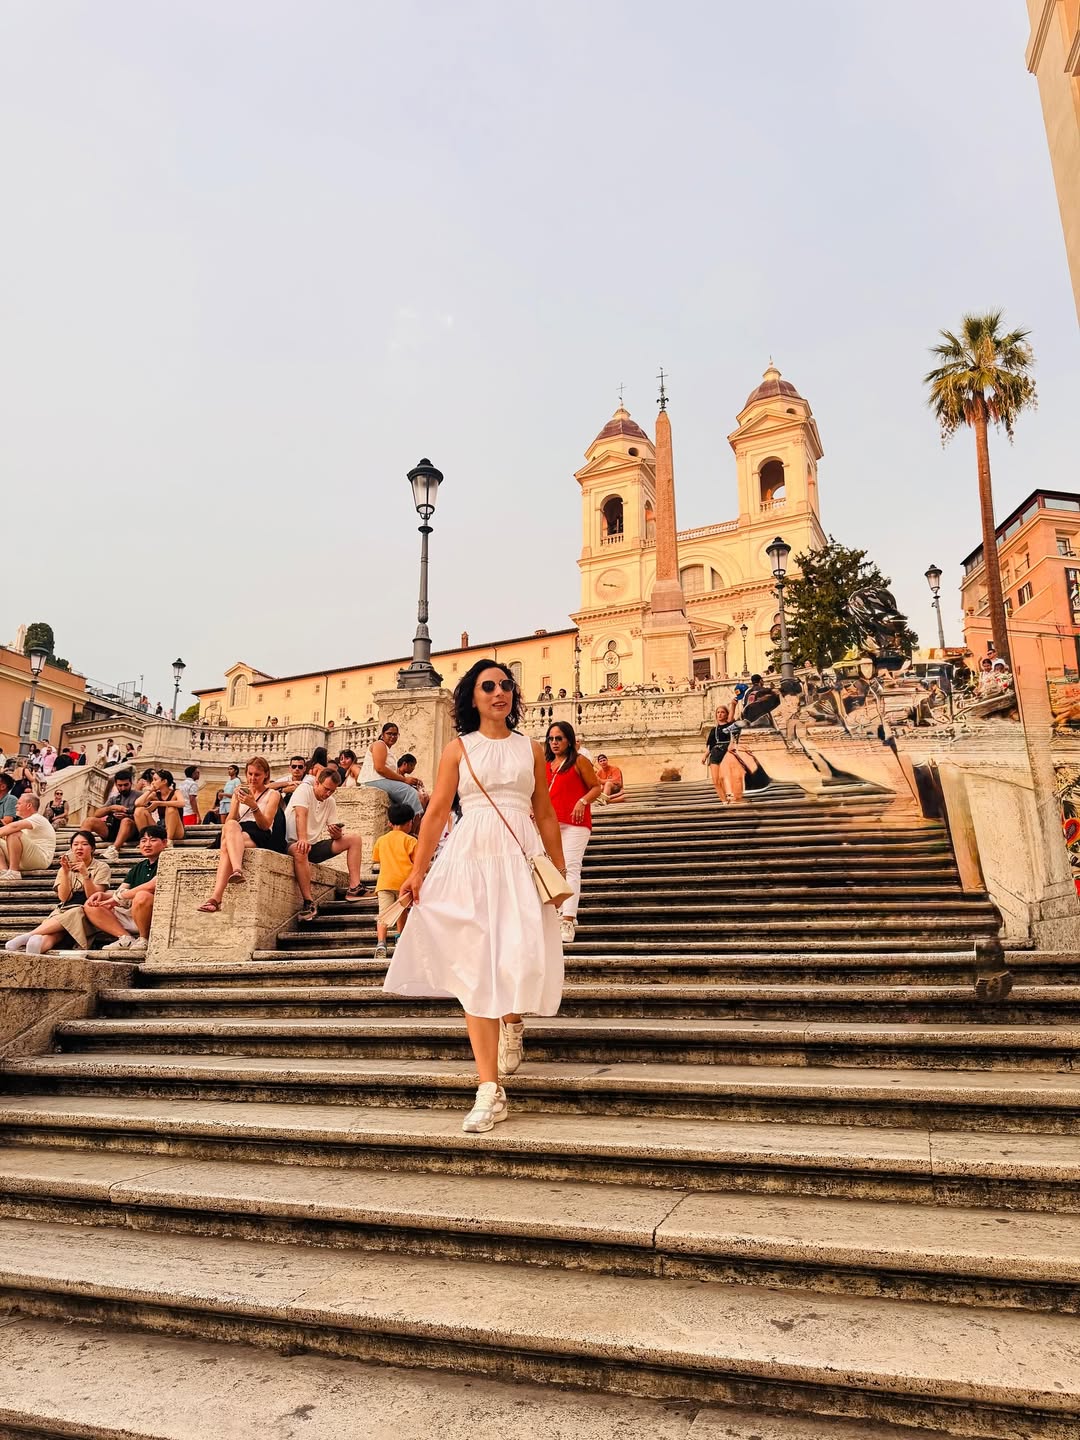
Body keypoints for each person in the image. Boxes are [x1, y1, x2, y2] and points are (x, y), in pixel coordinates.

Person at [384, 660, 566, 1135]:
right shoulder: (458, 748)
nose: (499, 692)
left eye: (506, 685)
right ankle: (489, 1088)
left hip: (519, 854)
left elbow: (545, 812)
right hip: (470, 856)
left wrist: (559, 870)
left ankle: (514, 1021)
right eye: (489, 686)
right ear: (472, 696)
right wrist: (418, 871)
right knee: (475, 963)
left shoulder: (530, 748)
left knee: (517, 955)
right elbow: (437, 813)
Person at [197, 757, 284, 912]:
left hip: (259, 833)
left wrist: (253, 806)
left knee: (226, 844)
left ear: (266, 774)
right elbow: (230, 821)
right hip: (238, 830)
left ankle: (216, 898)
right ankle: (236, 870)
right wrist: (236, 802)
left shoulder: (273, 794)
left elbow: (265, 825)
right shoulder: (239, 792)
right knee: (230, 826)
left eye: (257, 775)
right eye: (250, 774)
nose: (252, 778)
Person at [5, 829, 112, 954]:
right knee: (54, 935)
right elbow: (64, 898)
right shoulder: (65, 869)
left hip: (88, 912)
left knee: (75, 913)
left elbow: (94, 896)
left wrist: (85, 874)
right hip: (65, 909)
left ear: (92, 848)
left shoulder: (102, 867)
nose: (79, 848)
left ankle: (28, 935)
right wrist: (65, 873)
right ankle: (33, 950)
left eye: (84, 844)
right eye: (75, 844)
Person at [285, 764, 366, 921]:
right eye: (326, 789)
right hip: (292, 843)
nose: (328, 794)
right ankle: (308, 902)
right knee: (301, 849)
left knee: (354, 839)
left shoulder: (330, 801)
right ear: (317, 783)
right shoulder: (304, 790)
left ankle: (355, 887)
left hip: (312, 846)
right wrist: (302, 839)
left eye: (332, 791)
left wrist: (337, 834)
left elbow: (334, 831)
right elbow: (300, 815)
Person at [545, 721, 600, 944]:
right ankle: (555, 913)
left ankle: (568, 919)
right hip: (550, 823)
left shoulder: (579, 761)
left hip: (575, 823)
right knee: (551, 869)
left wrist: (582, 801)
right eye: (551, 739)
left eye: (559, 738)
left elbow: (596, 787)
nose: (554, 742)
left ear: (568, 740)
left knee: (571, 867)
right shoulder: (545, 764)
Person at [84, 825, 168, 954]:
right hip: (133, 912)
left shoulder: (167, 862)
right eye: (143, 840)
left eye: (153, 840)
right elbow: (121, 891)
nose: (147, 844)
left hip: (155, 915)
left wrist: (118, 897)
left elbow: (151, 886)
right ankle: (126, 938)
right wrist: (104, 895)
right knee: (91, 905)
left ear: (164, 842)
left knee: (142, 895)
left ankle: (144, 938)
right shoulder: (139, 867)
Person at [372, 803, 418, 959]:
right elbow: (417, 862)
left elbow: (376, 858)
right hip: (403, 883)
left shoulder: (381, 840)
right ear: (409, 822)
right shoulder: (410, 841)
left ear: (390, 822)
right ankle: (400, 937)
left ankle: (381, 943)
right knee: (401, 911)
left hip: (384, 883)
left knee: (383, 914)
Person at [359, 723, 423, 816]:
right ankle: (414, 821)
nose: (392, 736)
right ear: (382, 734)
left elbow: (393, 774)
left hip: (382, 781)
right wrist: (405, 780)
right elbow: (380, 768)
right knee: (411, 793)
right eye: (389, 733)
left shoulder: (389, 751)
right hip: (374, 780)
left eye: (395, 734)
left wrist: (412, 781)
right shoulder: (379, 744)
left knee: (412, 793)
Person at [83, 770, 140, 861]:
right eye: (120, 785)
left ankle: (114, 850)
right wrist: (110, 808)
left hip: (131, 831)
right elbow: (97, 814)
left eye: (126, 785)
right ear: (116, 785)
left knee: (126, 821)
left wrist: (127, 816)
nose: (123, 788)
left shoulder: (139, 795)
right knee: (89, 821)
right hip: (113, 828)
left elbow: (144, 814)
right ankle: (81, 846)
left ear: (131, 783)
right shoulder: (114, 798)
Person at [0, 793, 58, 880]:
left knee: (13, 833)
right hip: (26, 859)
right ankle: (3, 871)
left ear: (29, 805)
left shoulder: (38, 818)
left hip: (41, 859)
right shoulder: (26, 822)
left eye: (19, 803)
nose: (16, 806)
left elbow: (14, 827)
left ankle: (14, 872)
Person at [133, 770, 186, 843]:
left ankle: (168, 841)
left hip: (176, 830)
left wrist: (160, 803)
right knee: (139, 810)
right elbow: (137, 803)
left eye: (155, 780)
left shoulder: (176, 792)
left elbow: (182, 803)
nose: (152, 782)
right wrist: (150, 790)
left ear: (164, 781)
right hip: (161, 827)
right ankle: (144, 839)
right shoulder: (155, 794)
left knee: (171, 808)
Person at [703, 705, 739, 803]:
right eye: (718, 712)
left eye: (722, 712)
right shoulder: (713, 730)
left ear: (726, 714)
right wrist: (705, 756)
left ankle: (732, 796)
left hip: (727, 752)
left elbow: (734, 736)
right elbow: (710, 745)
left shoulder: (730, 726)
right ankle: (724, 801)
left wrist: (733, 705)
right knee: (716, 780)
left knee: (727, 776)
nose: (720, 714)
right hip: (715, 754)